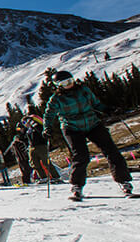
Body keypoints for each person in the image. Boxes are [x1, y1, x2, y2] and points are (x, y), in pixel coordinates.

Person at [43, 70, 133, 200]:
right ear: (58, 85)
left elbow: (96, 104)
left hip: (92, 124)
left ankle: (124, 181)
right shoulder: (56, 99)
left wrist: (107, 109)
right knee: (81, 156)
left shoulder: (83, 90)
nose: (69, 84)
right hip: (72, 127)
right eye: (65, 83)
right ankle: (77, 186)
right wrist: (47, 128)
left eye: (70, 81)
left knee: (111, 151)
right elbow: (48, 115)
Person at [22, 115, 60, 183]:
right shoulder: (28, 130)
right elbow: (25, 139)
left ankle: (55, 177)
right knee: (34, 163)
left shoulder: (37, 126)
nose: (25, 124)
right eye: (23, 123)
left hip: (41, 146)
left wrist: (33, 124)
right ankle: (43, 177)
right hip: (32, 147)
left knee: (46, 162)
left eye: (25, 122)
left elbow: (41, 132)